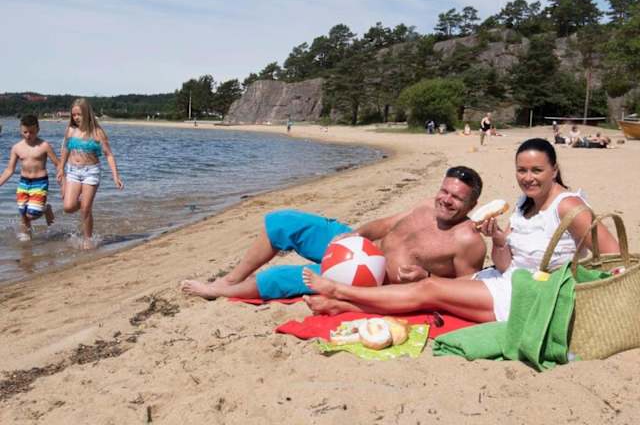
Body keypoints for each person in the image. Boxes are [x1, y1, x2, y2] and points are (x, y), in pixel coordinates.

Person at [302, 138, 619, 323]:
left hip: (530, 295)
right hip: (505, 279)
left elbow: (614, 257)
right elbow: (506, 264)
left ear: (554, 169)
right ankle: (346, 305)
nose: (528, 177)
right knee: (432, 291)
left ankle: (340, 293)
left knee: (429, 290)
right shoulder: (524, 204)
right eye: (522, 170)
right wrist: (498, 240)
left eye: (537, 170)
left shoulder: (568, 206)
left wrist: (578, 296)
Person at [181, 166, 487, 300]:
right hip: (361, 247)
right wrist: (355, 233)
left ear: (472, 205)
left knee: (281, 278)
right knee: (283, 221)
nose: (446, 200)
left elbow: (467, 287)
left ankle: (219, 291)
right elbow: (382, 225)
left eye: (456, 198)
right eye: (444, 191)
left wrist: (425, 278)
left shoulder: (467, 240)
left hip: (371, 277)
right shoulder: (425, 206)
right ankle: (231, 279)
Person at [57, 98, 124, 249]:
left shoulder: (97, 132)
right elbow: (65, 150)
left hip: (91, 172)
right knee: (68, 207)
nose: (76, 118)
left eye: (79, 114)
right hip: (73, 171)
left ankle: (88, 239)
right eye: (74, 115)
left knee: (86, 208)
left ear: (87, 113)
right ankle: (84, 204)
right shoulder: (70, 131)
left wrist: (116, 176)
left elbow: (109, 155)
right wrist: (61, 168)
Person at [0, 115, 60, 241]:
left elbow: (57, 164)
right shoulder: (17, 147)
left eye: (31, 132)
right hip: (23, 182)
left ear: (38, 129)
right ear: (20, 130)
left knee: (31, 215)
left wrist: (63, 180)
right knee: (23, 214)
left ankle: (45, 209)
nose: (28, 135)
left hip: (40, 182)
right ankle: (26, 241)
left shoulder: (44, 145)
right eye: (25, 132)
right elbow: (9, 169)